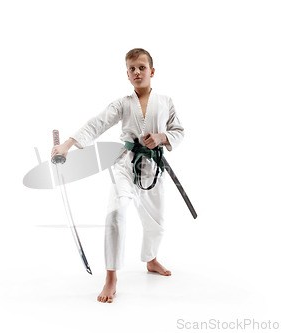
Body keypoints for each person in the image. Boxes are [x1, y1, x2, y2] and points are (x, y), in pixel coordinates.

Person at [51, 48, 185, 303]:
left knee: (156, 223)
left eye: (142, 67)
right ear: (127, 74)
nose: (137, 72)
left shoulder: (166, 101)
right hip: (125, 166)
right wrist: (66, 145)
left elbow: (178, 129)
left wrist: (162, 137)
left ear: (152, 71)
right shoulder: (122, 104)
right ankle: (111, 275)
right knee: (116, 211)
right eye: (132, 68)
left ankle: (151, 259)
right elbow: (97, 123)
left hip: (154, 169)